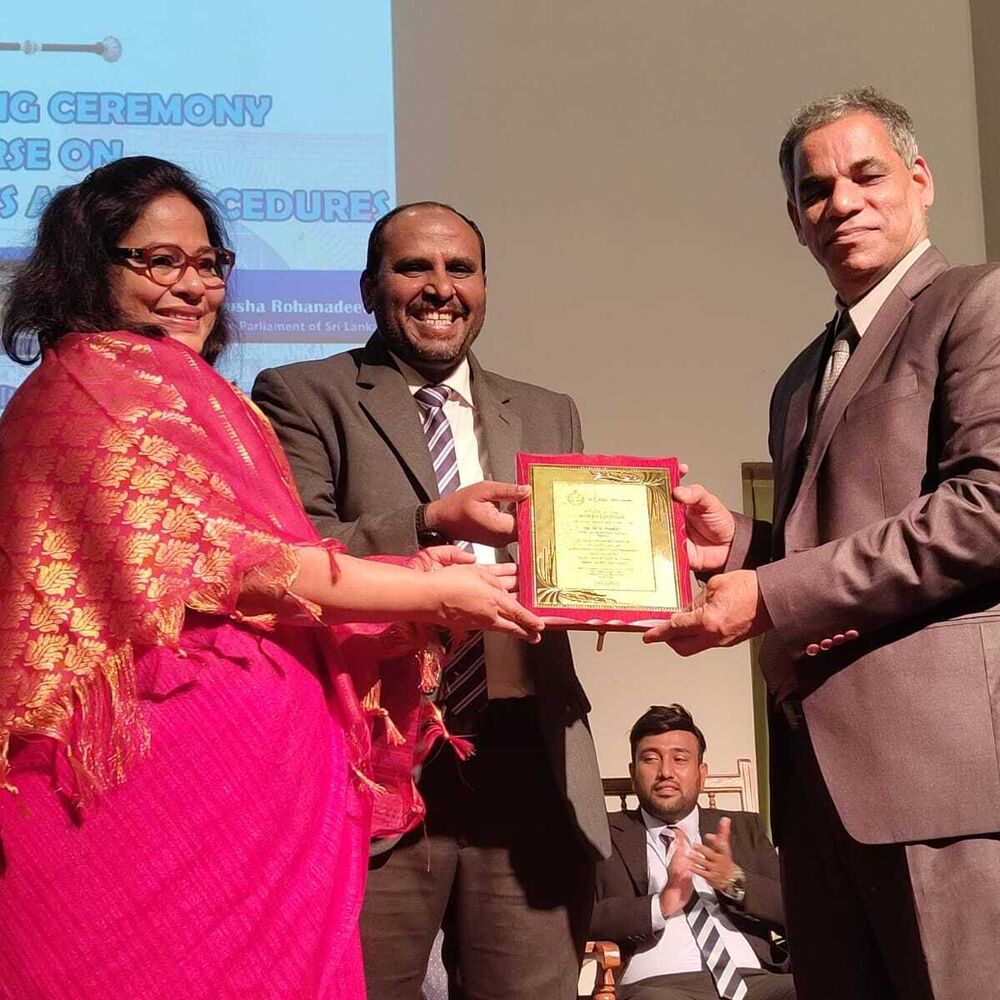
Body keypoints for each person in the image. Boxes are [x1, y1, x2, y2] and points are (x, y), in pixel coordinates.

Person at [0, 157, 544, 1000]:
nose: (192, 286)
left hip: (252, 807)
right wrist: (429, 589)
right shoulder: (93, 387)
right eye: (159, 261)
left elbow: (267, 560)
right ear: (87, 265)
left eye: (208, 263)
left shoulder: (185, 388)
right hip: (148, 807)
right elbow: (235, 559)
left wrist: (408, 574)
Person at [644, 88, 1000, 999]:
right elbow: (834, 541)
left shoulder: (978, 302)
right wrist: (742, 546)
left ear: (921, 180)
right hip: (816, 784)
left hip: (941, 778)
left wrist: (767, 593)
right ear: (796, 221)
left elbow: (986, 509)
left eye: (866, 175)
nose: (841, 202)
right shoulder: (800, 377)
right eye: (815, 190)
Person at [252, 201, 610, 1000]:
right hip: (380, 763)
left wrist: (636, 581)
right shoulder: (302, 394)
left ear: (484, 287)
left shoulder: (547, 410)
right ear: (368, 288)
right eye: (414, 266)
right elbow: (289, 552)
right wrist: (427, 521)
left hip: (529, 759)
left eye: (461, 269)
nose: (440, 287)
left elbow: (576, 560)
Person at [591, 705, 793, 1000]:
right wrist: (660, 904)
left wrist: (735, 881)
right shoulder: (604, 835)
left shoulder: (744, 828)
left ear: (702, 773)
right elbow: (579, 920)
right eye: (650, 759)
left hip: (756, 983)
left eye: (680, 759)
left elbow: (797, 910)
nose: (665, 772)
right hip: (659, 987)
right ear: (633, 773)